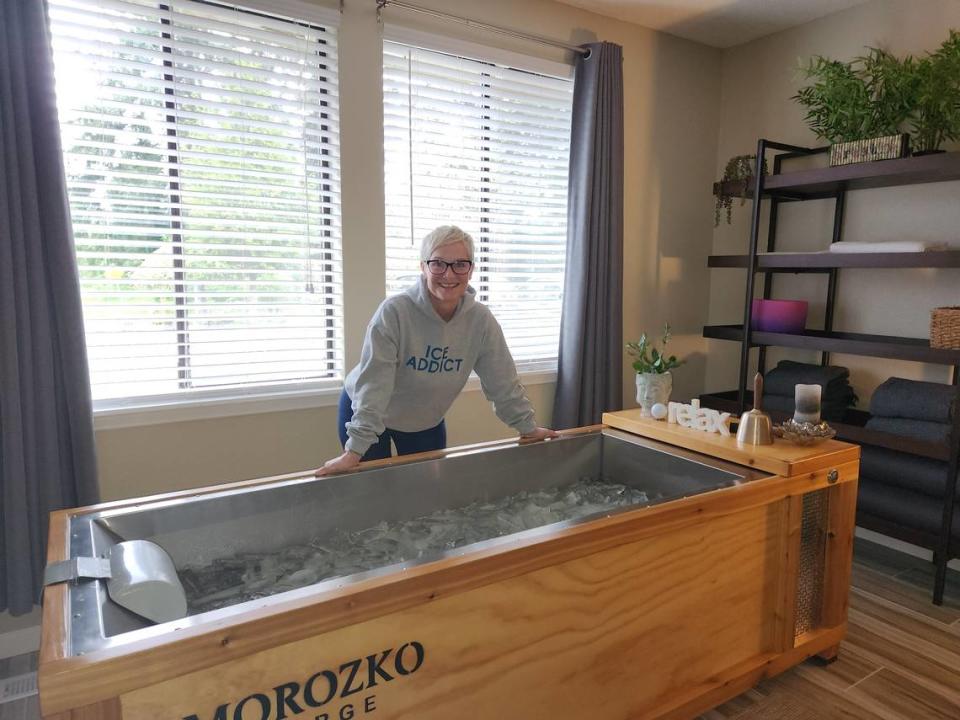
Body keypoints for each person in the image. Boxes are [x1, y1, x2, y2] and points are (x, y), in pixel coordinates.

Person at [315, 225, 558, 476]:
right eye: (438, 264)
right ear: (423, 267)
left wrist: (527, 428)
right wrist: (355, 451)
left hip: (425, 420)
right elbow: (374, 385)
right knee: (374, 493)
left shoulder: (480, 321)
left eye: (460, 264)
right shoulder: (394, 313)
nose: (449, 275)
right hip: (369, 412)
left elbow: (502, 381)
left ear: (471, 269)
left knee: (426, 496)